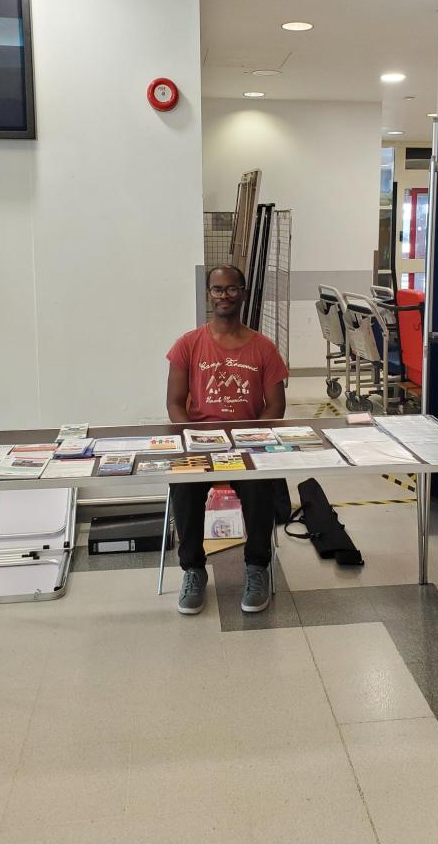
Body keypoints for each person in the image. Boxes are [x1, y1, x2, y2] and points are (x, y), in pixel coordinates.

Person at [166, 264, 288, 615]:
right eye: (217, 289)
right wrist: (196, 439)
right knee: (184, 485)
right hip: (201, 444)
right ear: (209, 295)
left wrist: (248, 439)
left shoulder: (264, 348)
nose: (224, 295)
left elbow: (275, 406)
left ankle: (257, 567)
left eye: (232, 288)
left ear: (243, 293)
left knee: (260, 485)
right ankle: (193, 569)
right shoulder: (188, 344)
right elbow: (174, 404)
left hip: (246, 445)